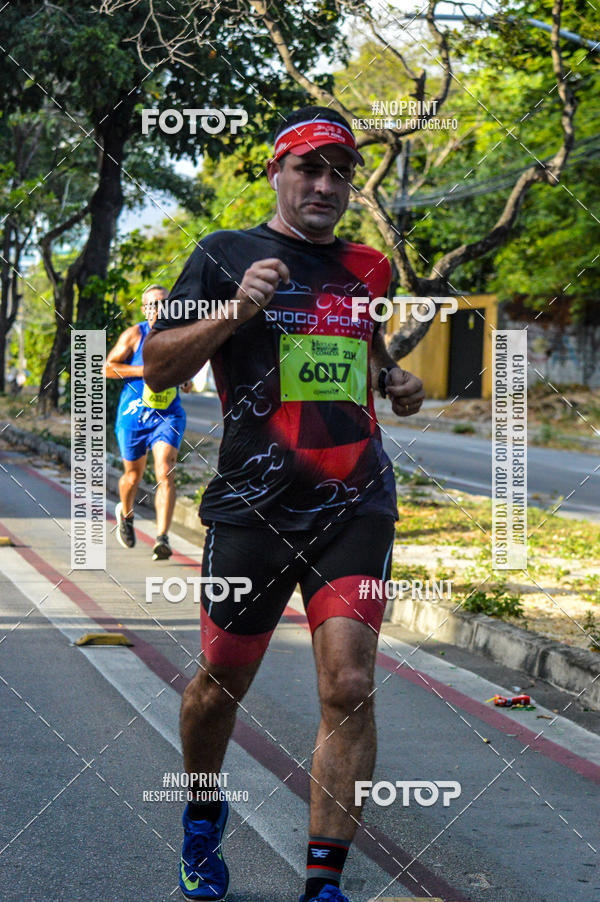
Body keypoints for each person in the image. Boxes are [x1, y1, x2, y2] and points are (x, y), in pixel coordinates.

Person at [143, 106, 425, 902]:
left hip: (355, 502)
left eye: (340, 173)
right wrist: (236, 308)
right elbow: (157, 369)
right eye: (310, 168)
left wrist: (396, 382)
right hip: (252, 509)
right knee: (217, 688)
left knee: (349, 683)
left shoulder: (370, 268)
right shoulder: (224, 254)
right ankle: (202, 815)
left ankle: (323, 884)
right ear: (277, 171)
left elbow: (362, 360)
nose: (327, 185)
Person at [105, 284, 192, 561]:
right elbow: (107, 367)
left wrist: (186, 378)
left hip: (168, 415)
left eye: (166, 304)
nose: (161, 309)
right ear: (145, 309)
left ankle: (162, 538)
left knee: (165, 470)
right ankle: (126, 514)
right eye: (154, 304)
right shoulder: (135, 335)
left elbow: (187, 370)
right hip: (133, 417)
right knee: (133, 476)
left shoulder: (178, 336)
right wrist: (145, 370)